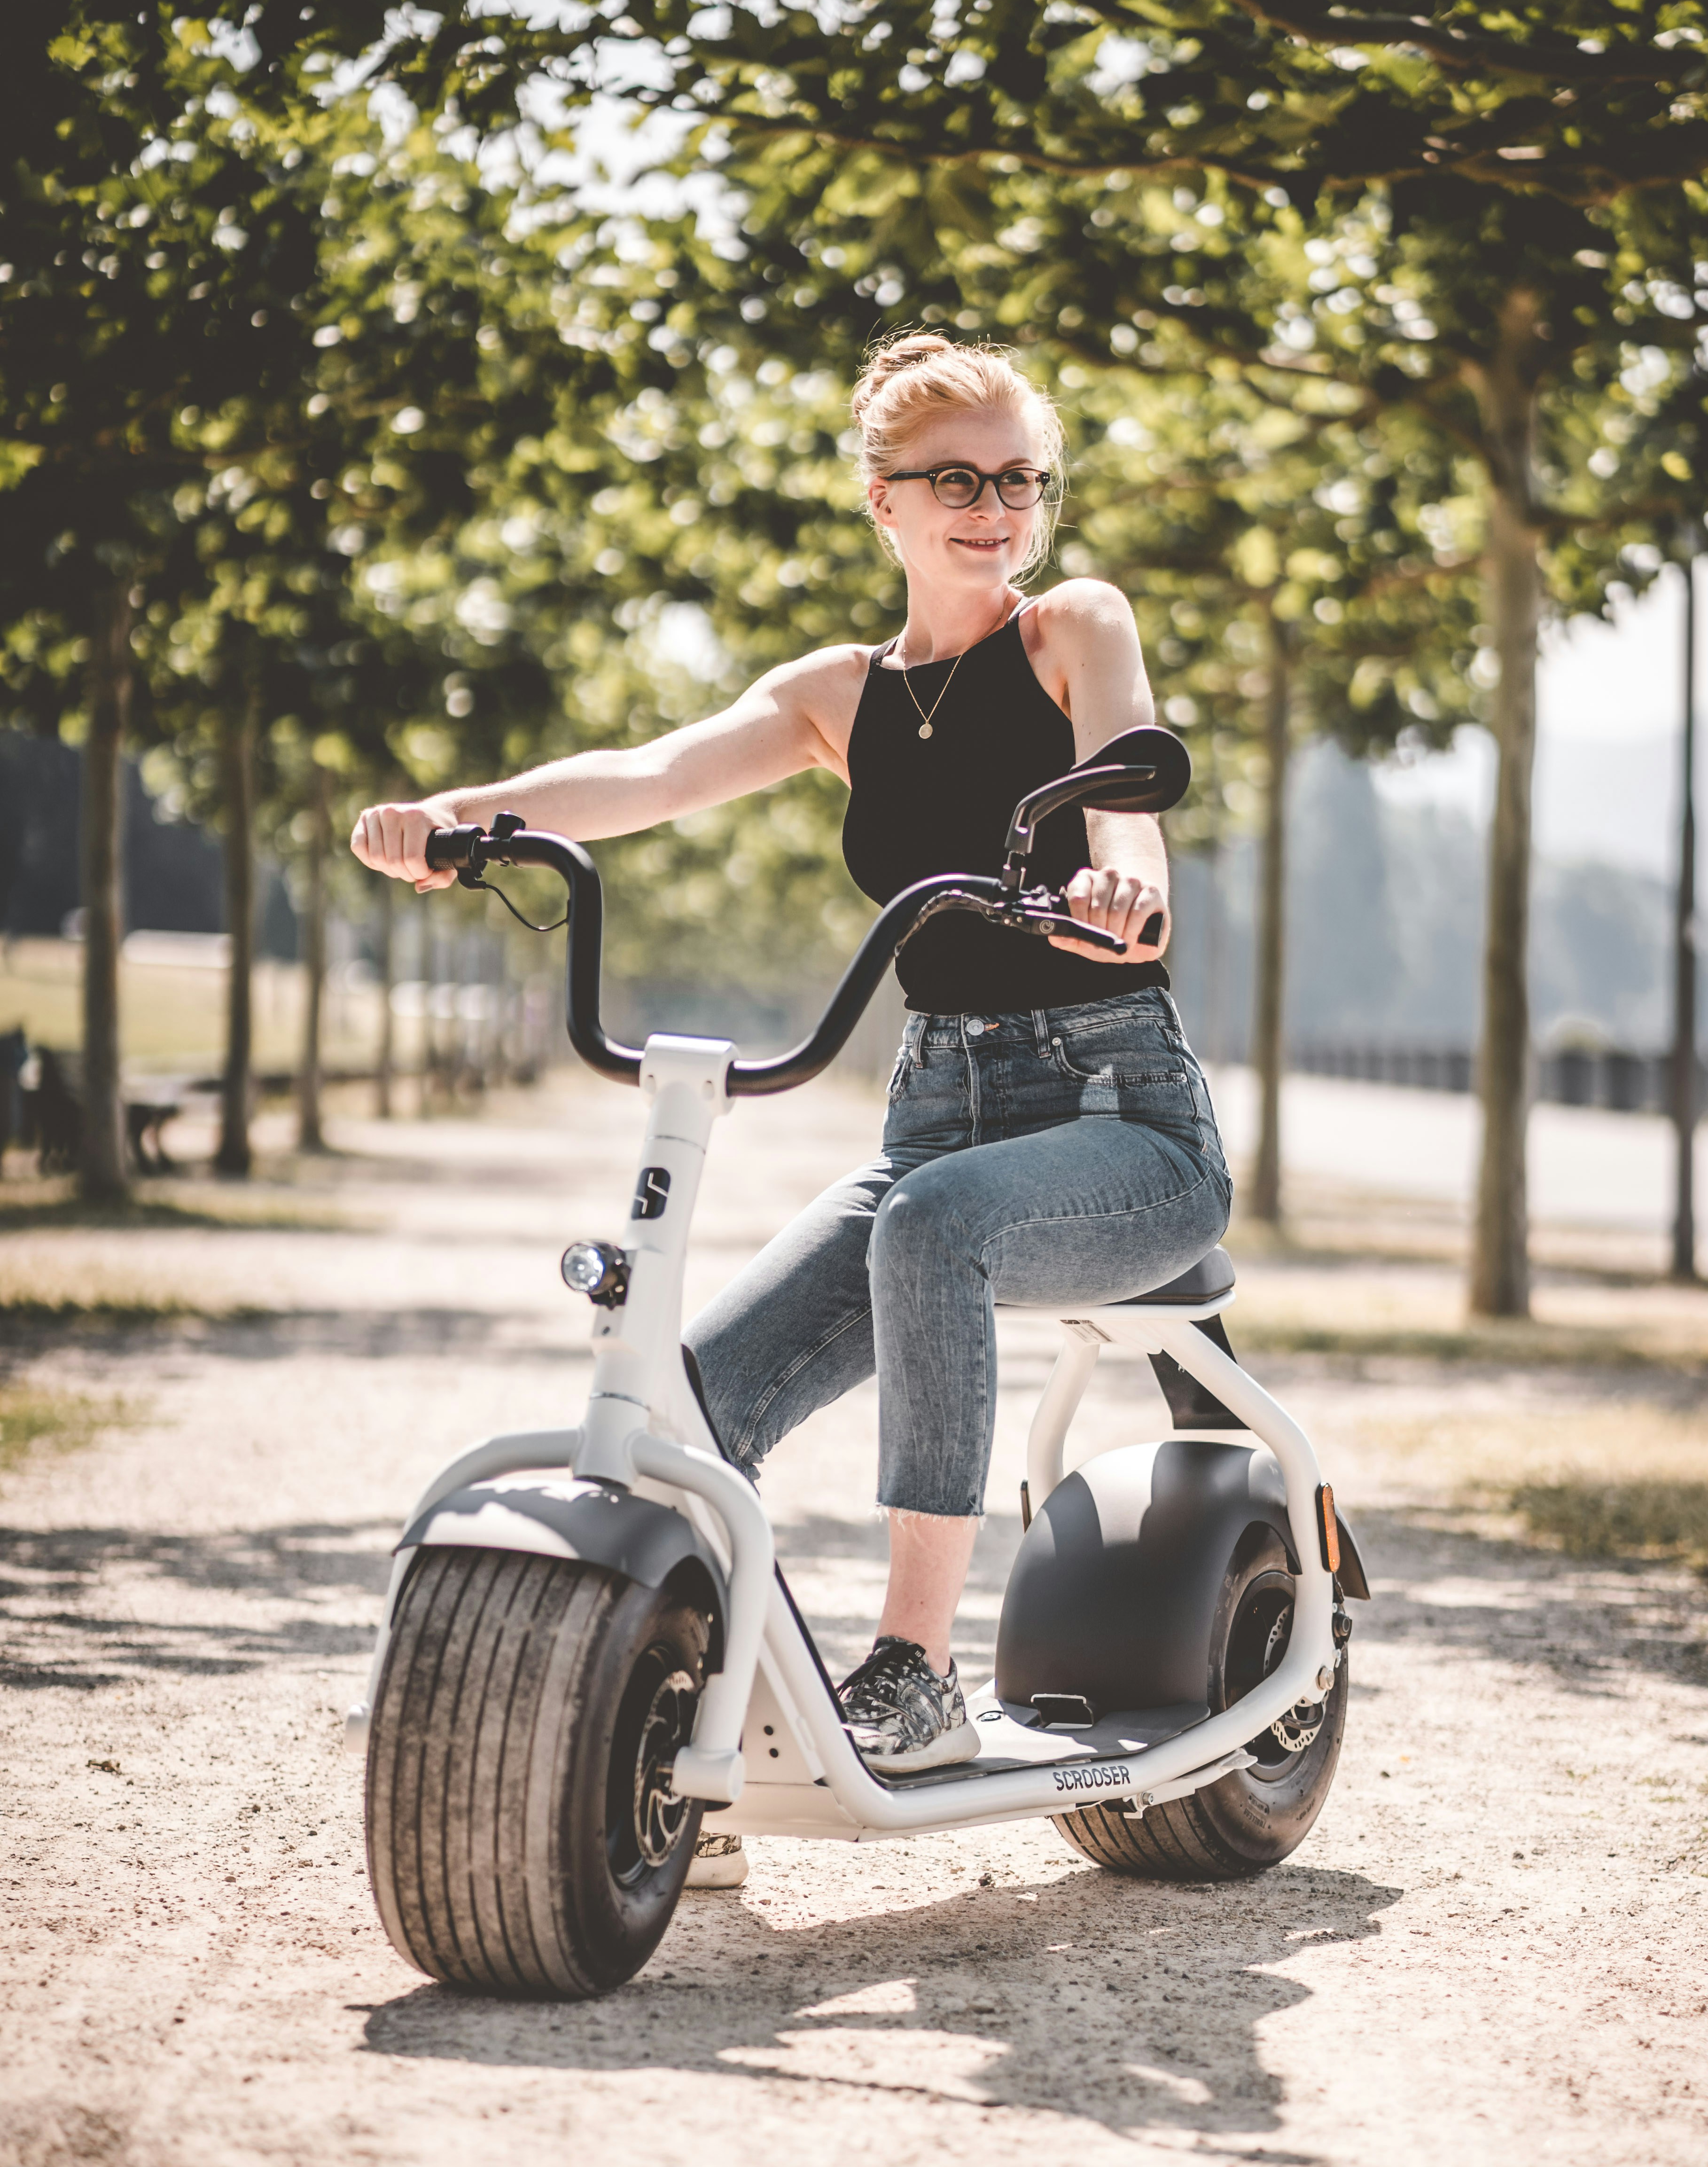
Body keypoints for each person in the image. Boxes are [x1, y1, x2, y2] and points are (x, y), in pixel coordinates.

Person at [351, 332, 1232, 1860]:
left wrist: (1122, 884)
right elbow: (648, 775)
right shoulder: (838, 694)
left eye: (1021, 479)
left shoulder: (1075, 628)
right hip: (938, 1116)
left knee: (933, 1230)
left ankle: (915, 1676)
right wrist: (463, 818)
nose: (996, 507)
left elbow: (1124, 796)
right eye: (956, 479)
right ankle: (678, 1720)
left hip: (1124, 1123)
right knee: (693, 1400)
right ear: (880, 500)